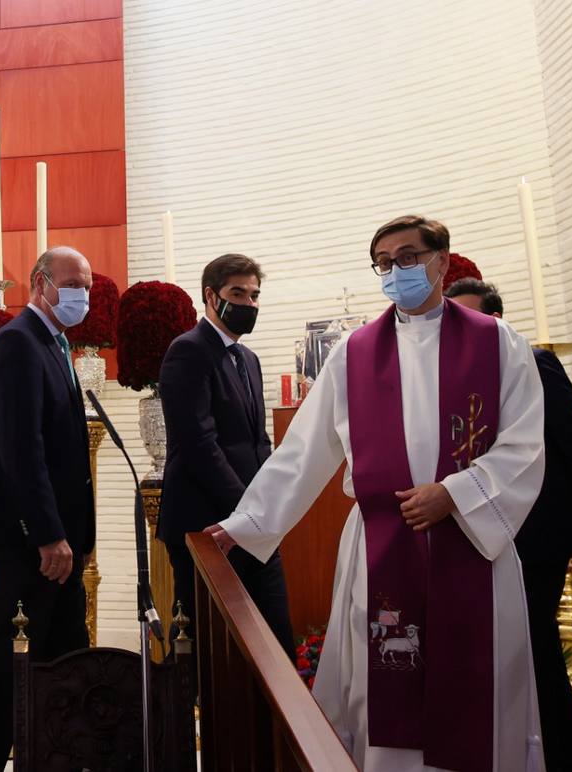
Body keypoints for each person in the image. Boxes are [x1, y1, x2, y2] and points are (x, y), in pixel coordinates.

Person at [207, 215, 546, 770]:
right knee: (382, 692)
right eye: (384, 263)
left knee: (477, 693)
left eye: (408, 257)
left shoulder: (498, 343)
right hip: (380, 550)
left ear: (442, 261)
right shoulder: (354, 352)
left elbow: (526, 444)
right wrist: (247, 523)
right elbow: (303, 451)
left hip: (472, 544)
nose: (395, 271)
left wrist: (455, 493)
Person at [447, 276, 572, 771]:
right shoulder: (460, 374)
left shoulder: (535, 362)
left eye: (468, 318)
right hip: (488, 535)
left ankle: (562, 759)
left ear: (494, 319)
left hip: (538, 534)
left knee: (537, 651)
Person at [0, 247, 96, 772]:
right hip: (31, 545)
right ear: (39, 283)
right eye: (73, 284)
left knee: (63, 665)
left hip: (59, 540)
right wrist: (48, 533)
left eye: (87, 286)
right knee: (13, 667)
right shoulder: (18, 343)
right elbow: (21, 450)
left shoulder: (55, 343)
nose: (82, 296)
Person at [158, 253, 293, 661]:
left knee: (273, 639)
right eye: (238, 293)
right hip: (207, 522)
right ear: (210, 296)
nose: (249, 304)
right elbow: (200, 443)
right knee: (211, 646)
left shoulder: (248, 359)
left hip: (250, 522)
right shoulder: (187, 351)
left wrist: (268, 502)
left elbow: (257, 442)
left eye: (254, 295)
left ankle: (267, 726)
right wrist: (246, 508)